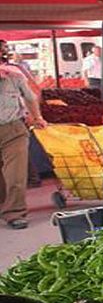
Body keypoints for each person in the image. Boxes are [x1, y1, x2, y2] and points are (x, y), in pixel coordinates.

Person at [0, 52, 46, 230]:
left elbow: (30, 97)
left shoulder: (15, 76)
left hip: (13, 129)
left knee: (15, 173)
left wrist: (37, 117)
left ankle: (15, 213)